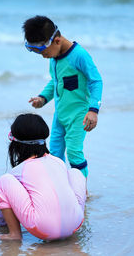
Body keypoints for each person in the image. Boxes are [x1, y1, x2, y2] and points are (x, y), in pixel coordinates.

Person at [23, 15, 103, 178]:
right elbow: (56, 82)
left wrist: (93, 110)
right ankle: (59, 185)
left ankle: (82, 190)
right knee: (54, 153)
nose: (43, 56)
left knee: (74, 152)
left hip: (78, 115)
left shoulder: (79, 55)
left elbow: (96, 81)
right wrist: (43, 98)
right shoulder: (54, 57)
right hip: (60, 115)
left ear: (57, 41)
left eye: (43, 52)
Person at [0, 113, 86, 240]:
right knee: (75, 172)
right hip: (75, 224)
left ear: (16, 144)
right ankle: (68, 218)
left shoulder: (19, 171)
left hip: (43, 229)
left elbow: (8, 194)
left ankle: (14, 234)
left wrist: (2, 221)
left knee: (4, 181)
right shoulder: (58, 162)